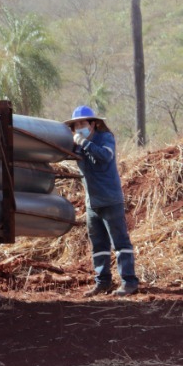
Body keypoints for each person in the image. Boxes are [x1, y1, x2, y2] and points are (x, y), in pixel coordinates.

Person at [66, 105, 140, 297]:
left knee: (120, 243)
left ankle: (129, 282)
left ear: (93, 124)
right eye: (76, 125)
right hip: (93, 203)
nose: (79, 127)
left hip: (110, 200)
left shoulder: (105, 138)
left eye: (83, 123)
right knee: (99, 246)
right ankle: (103, 282)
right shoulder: (77, 145)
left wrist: (83, 142)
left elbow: (105, 156)